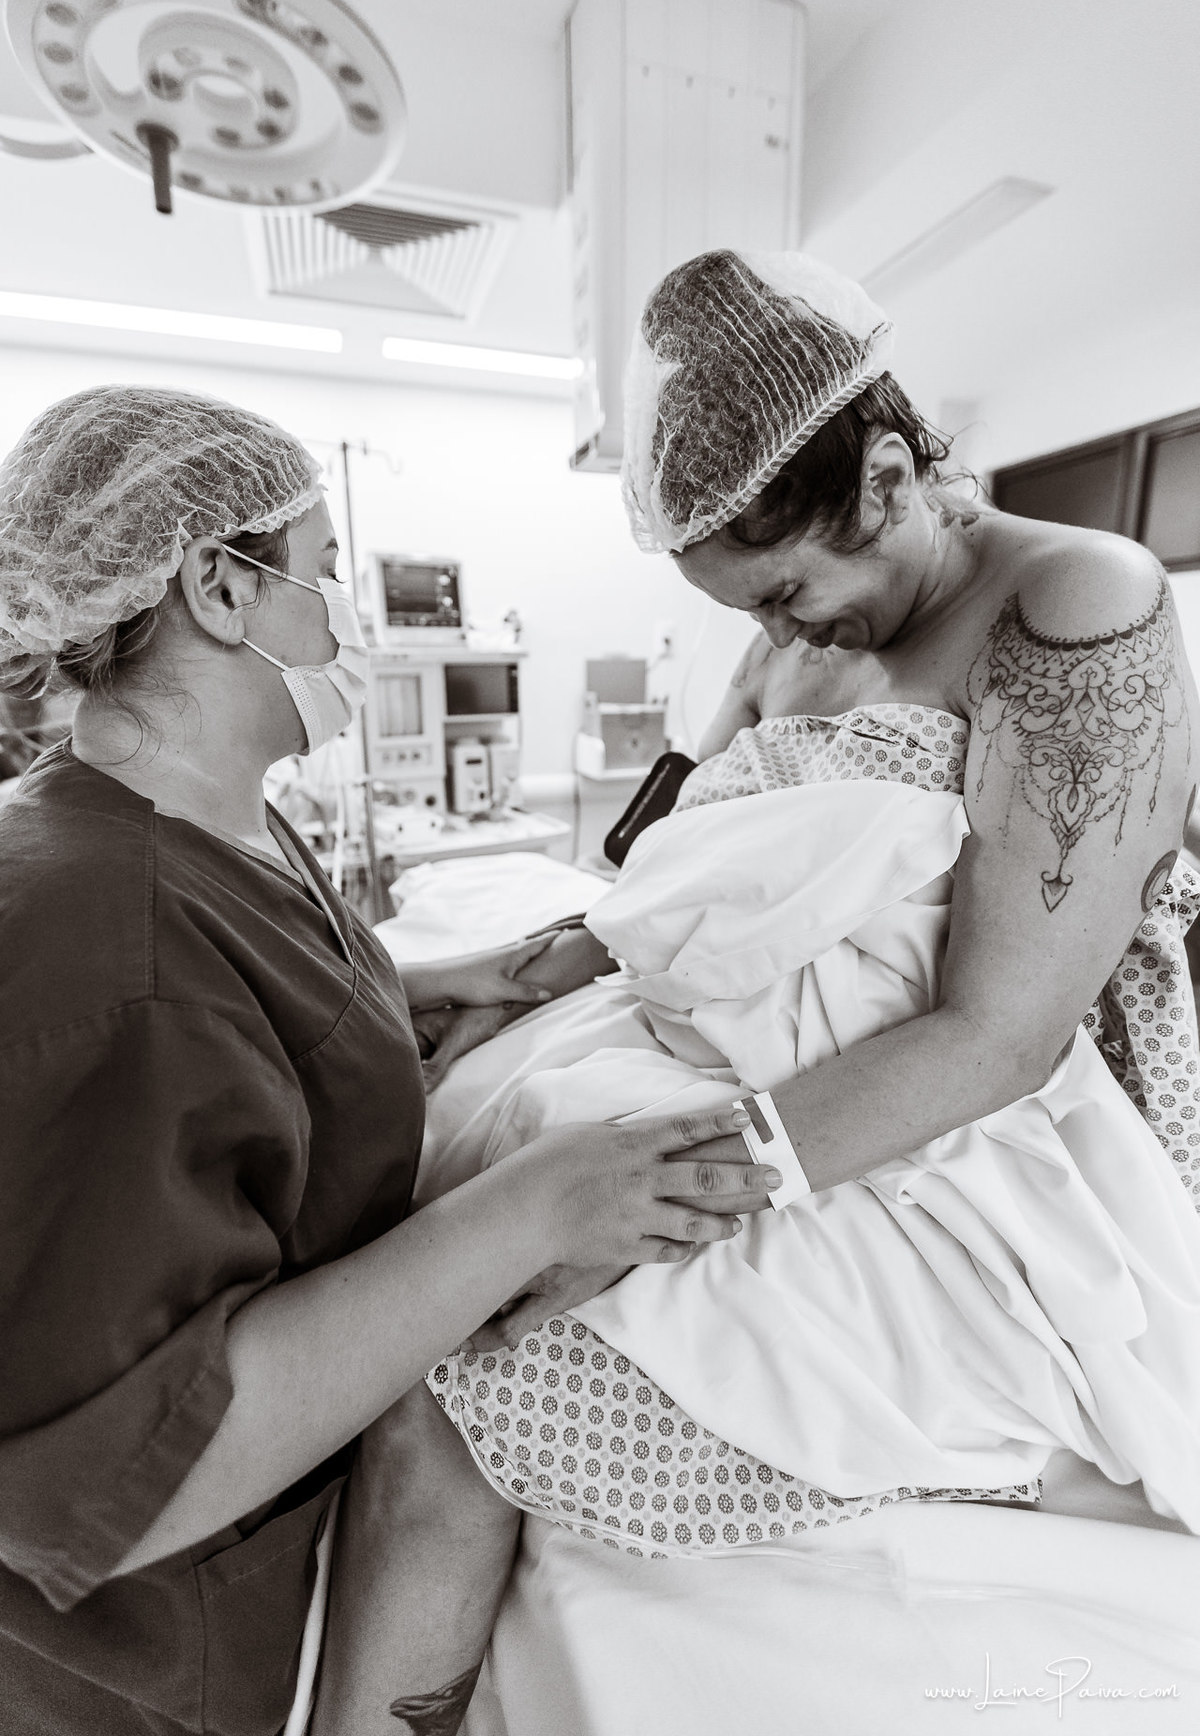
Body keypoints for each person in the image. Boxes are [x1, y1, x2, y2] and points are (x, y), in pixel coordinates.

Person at [335, 250, 1200, 1733]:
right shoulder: (796, 641)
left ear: (885, 475)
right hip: (760, 1073)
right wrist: (509, 985)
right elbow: (677, 876)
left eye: (793, 595)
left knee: (460, 1390)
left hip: (949, 1145)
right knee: (422, 1244)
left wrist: (654, 1204)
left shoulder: (1076, 604)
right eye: (758, 612)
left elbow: (998, 1031)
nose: (785, 642)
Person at [0, 385, 778, 1736]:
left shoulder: (207, 823)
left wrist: (405, 994)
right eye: (327, 574)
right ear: (221, 587)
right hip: (153, 1663)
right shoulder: (104, 951)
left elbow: (245, 1026)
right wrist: (536, 1202)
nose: (347, 616)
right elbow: (122, 1484)